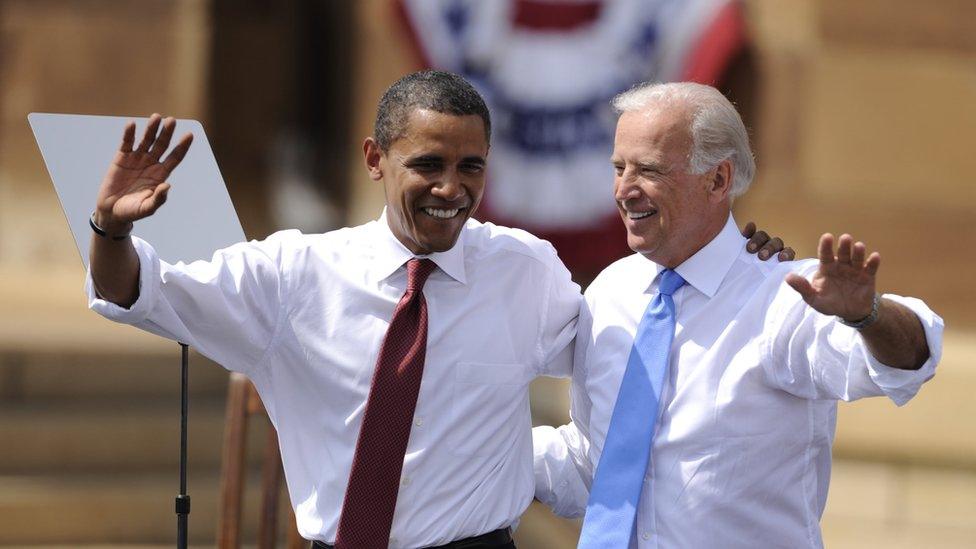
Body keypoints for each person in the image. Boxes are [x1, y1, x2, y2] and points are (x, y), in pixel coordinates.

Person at [86, 71, 786, 548]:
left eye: (470, 167)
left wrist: (731, 257)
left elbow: (634, 335)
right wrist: (111, 231)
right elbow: (139, 291)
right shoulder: (291, 275)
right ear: (375, 158)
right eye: (427, 164)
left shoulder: (524, 269)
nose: (450, 188)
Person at [532, 82, 944, 548]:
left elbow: (910, 362)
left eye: (648, 170)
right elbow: (596, 460)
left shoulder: (788, 295)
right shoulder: (610, 291)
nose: (624, 190)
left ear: (718, 180)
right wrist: (468, 451)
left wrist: (866, 315)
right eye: (619, 167)